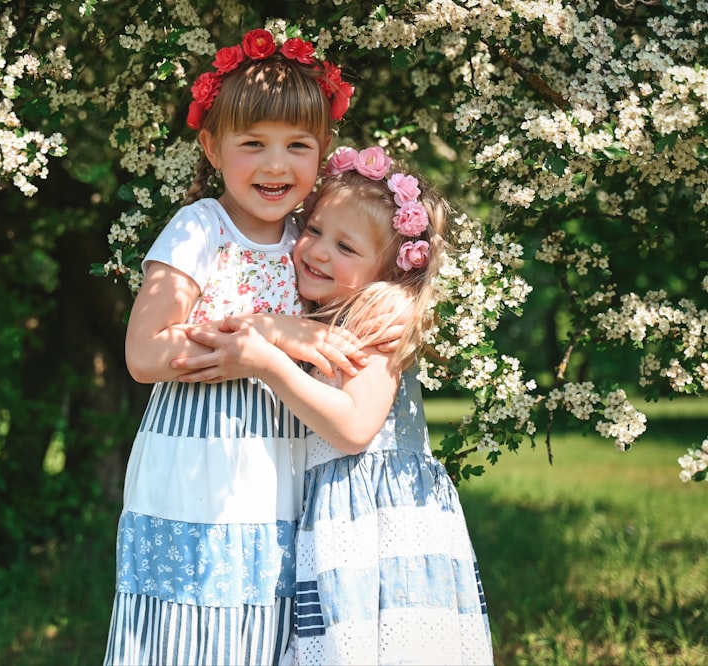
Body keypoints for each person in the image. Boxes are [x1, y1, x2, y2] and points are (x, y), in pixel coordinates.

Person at [172, 146, 495, 665]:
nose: (318, 251)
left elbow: (354, 429)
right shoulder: (324, 311)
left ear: (387, 272)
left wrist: (268, 364)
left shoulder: (378, 317)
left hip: (379, 524)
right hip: (337, 517)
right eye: (316, 229)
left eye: (346, 247)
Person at [103, 28, 361, 666]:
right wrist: (271, 331)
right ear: (212, 147)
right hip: (199, 460)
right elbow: (144, 353)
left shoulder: (310, 239)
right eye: (253, 144)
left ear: (322, 151)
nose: (276, 166)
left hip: (277, 458)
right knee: (188, 628)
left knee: (258, 625)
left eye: (297, 146)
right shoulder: (199, 228)